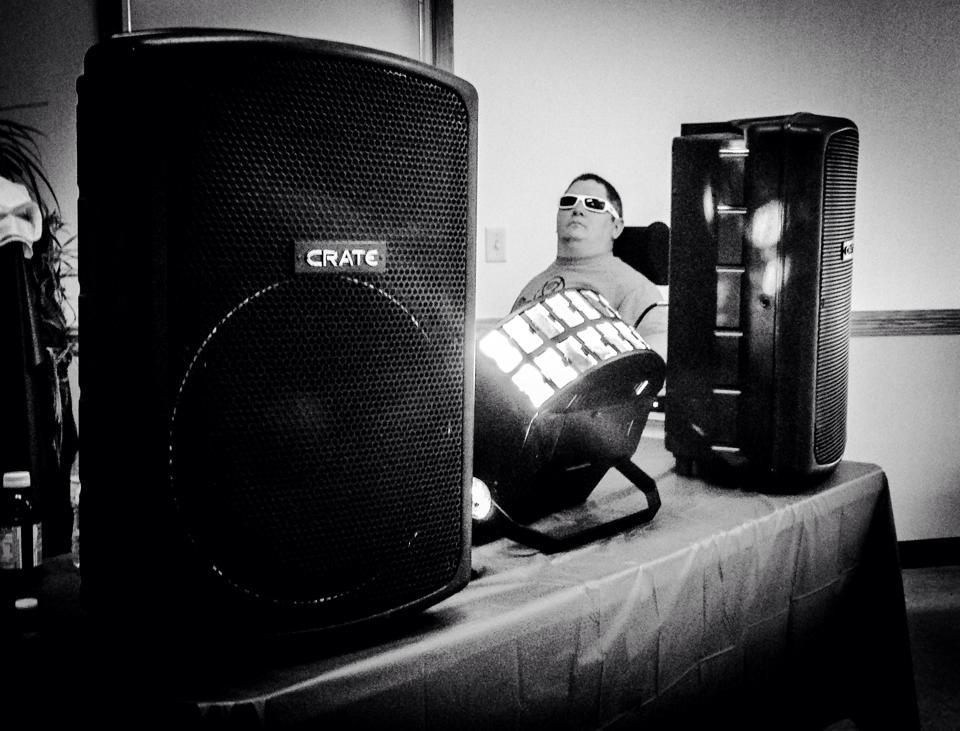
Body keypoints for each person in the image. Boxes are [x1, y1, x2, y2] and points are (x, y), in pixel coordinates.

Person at [512, 172, 667, 359]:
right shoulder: (532, 287)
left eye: (593, 204)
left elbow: (656, 361)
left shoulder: (636, 291)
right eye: (568, 201)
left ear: (616, 227)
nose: (577, 209)